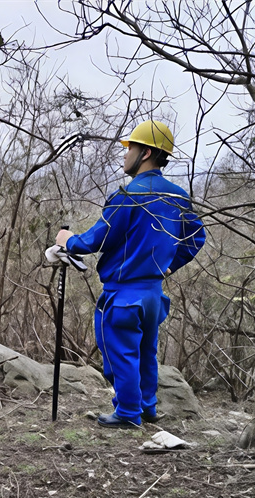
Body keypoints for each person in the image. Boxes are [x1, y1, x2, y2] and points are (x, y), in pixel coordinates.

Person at [49, 120, 205, 428]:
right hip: (153, 294)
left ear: (146, 152)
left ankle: (128, 413)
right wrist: (169, 265)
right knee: (146, 352)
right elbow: (196, 238)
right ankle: (147, 408)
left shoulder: (128, 195)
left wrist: (67, 240)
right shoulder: (177, 197)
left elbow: (97, 240)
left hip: (123, 294)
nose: (125, 155)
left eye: (130, 148)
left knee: (119, 354)